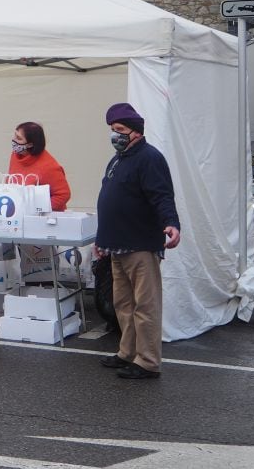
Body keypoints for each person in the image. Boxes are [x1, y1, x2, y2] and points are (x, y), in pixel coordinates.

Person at [94, 102, 180, 380]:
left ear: (136, 132)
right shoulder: (118, 160)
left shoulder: (150, 158)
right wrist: (102, 239)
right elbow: (109, 200)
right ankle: (127, 352)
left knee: (145, 306)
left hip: (140, 245)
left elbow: (162, 195)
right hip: (117, 245)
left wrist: (171, 223)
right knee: (124, 305)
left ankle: (148, 361)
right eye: (112, 130)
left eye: (119, 130)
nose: (114, 135)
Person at [7, 121, 71, 211]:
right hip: (18, 213)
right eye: (15, 135)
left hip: (42, 218)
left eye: (19, 138)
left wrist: (38, 210)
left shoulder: (49, 166)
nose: (14, 140)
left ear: (30, 144)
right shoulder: (16, 155)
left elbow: (63, 195)